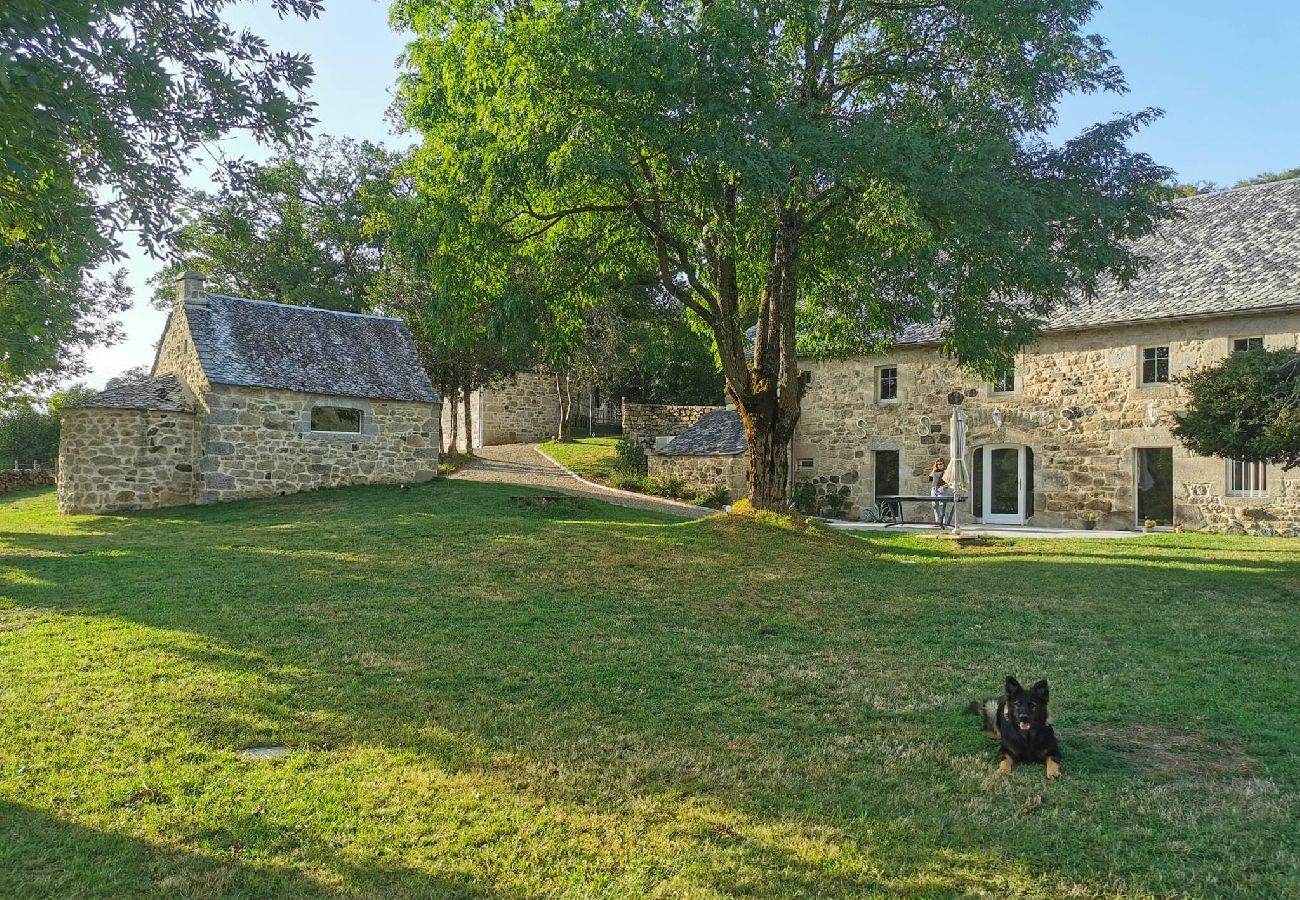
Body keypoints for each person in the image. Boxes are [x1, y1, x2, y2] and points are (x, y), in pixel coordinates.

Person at [929, 458, 953, 527]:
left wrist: (943, 486)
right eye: (937, 464)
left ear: (943, 464)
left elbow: (949, 482)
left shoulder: (946, 472)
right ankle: (938, 522)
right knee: (935, 505)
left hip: (942, 489)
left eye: (940, 464)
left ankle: (945, 522)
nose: (939, 465)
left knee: (942, 505)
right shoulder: (935, 471)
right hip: (934, 489)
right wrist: (933, 470)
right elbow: (930, 479)